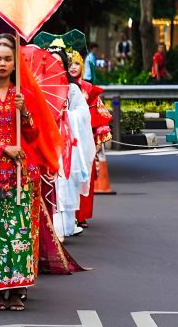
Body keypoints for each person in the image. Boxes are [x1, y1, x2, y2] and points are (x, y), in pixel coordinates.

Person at [0, 36, 63, 311]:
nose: (3, 63)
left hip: (21, 175)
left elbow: (32, 135)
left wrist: (25, 114)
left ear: (15, 64)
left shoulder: (26, 96)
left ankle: (18, 288)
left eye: (8, 59)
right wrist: (2, 148)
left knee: (19, 233)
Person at [67, 51, 112, 228]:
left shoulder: (88, 88)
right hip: (66, 137)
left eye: (76, 63)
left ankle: (82, 215)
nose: (72, 67)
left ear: (82, 66)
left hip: (85, 137)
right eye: (69, 63)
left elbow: (96, 114)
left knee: (85, 176)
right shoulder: (60, 85)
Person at [53, 50, 94, 239]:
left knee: (65, 182)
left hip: (66, 141)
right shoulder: (40, 87)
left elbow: (83, 114)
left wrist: (65, 116)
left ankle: (64, 226)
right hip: (47, 140)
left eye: (59, 63)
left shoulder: (72, 89)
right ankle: (50, 225)